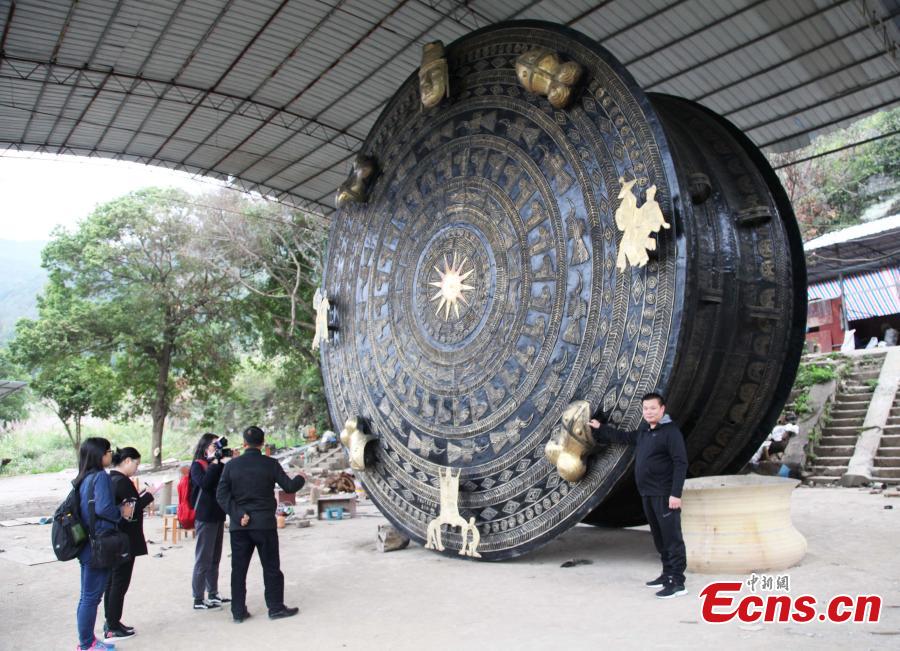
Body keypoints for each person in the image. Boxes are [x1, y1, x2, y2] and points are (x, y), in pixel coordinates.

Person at [589, 392, 688, 599]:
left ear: (662, 409)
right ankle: (666, 573)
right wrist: (601, 429)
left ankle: (677, 582)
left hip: (664, 494)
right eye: (646, 409)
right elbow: (625, 438)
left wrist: (675, 494)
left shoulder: (671, 433)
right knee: (660, 537)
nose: (649, 412)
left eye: (653, 408)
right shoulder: (645, 430)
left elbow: (681, 463)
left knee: (672, 538)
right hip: (647, 493)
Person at [216, 426, 305, 622]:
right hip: (264, 524)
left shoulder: (231, 466)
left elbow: (221, 495)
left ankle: (238, 613)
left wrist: (238, 513)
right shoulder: (270, 464)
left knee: (238, 570)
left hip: (240, 526)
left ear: (244, 444)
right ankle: (275, 608)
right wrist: (301, 477)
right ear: (263, 444)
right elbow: (289, 487)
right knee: (271, 567)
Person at [73, 437, 134, 651]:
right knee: (91, 597)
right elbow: (104, 509)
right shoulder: (100, 477)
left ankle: (87, 640)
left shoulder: (83, 478)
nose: (111, 455)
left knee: (87, 596)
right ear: (100, 455)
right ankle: (86, 643)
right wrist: (122, 512)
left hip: (87, 543)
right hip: (98, 545)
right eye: (108, 451)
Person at [103, 447, 157, 642]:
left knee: (113, 581)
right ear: (126, 461)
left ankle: (112, 621)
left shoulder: (111, 479)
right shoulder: (121, 481)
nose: (136, 468)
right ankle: (112, 625)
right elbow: (129, 512)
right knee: (119, 582)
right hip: (124, 540)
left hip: (116, 539)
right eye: (136, 463)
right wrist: (149, 495)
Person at [189, 433, 229, 610]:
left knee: (215, 557)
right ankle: (198, 598)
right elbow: (204, 484)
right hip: (205, 516)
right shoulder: (197, 465)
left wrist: (223, 462)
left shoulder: (217, 464)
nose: (217, 447)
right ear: (206, 447)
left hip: (218, 514)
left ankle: (213, 593)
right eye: (214, 445)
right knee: (203, 558)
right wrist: (213, 463)